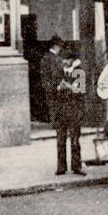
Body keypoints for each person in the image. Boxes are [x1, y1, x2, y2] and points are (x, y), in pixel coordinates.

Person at [54, 49, 87, 175]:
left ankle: (76, 166)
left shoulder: (79, 70)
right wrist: (58, 87)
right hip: (62, 110)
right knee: (60, 139)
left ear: (71, 59)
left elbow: (81, 89)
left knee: (74, 139)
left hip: (74, 110)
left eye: (65, 59)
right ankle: (61, 167)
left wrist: (66, 86)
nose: (63, 62)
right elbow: (55, 88)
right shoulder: (62, 71)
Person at [39, 35, 67, 173]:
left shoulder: (58, 58)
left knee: (61, 133)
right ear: (56, 45)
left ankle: (62, 167)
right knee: (60, 131)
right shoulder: (48, 58)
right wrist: (55, 88)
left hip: (62, 97)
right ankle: (62, 166)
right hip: (57, 97)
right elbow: (46, 79)